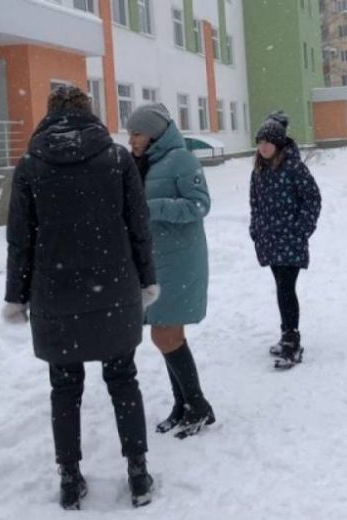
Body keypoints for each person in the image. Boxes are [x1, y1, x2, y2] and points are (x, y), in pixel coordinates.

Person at [2, 86, 158, 510]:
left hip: (55, 295)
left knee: (65, 387)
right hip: (115, 288)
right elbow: (138, 226)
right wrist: (147, 279)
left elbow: (20, 239)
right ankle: (138, 473)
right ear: (90, 113)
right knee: (123, 379)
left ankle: (70, 479)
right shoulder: (117, 160)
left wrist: (16, 296)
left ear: (50, 114)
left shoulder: (31, 165)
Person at [126, 103, 215, 438]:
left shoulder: (182, 160)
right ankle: (184, 405)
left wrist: (151, 208)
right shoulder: (144, 162)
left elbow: (199, 204)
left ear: (154, 133)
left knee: (164, 335)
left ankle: (198, 406)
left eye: (137, 133)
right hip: (155, 261)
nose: (131, 139)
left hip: (180, 261)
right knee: (168, 335)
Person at [250, 111, 322, 369]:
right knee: (282, 287)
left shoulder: (293, 167)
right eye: (260, 142)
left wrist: (301, 229)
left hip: (290, 240)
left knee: (286, 288)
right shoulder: (259, 170)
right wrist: (255, 229)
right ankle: (287, 334)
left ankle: (292, 339)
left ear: (278, 144)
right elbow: (255, 204)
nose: (263, 147)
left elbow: (313, 198)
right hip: (269, 240)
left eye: (268, 142)